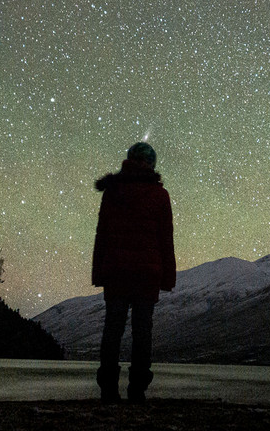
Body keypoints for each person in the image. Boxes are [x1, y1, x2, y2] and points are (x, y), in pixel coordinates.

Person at [92, 141, 176, 403]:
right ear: (152, 164)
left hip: (116, 270)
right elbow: (166, 240)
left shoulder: (113, 191)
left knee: (113, 328)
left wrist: (99, 272)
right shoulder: (159, 195)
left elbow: (102, 236)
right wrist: (167, 277)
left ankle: (108, 390)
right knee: (143, 331)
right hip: (147, 273)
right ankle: (137, 390)